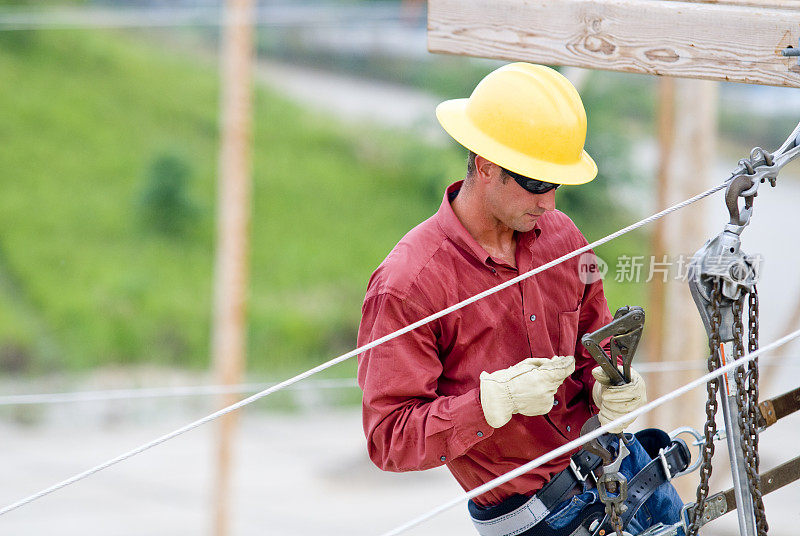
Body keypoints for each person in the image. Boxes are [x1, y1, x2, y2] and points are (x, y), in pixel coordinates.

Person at [357, 63, 684, 535]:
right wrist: (491, 403)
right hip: (539, 516)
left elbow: (598, 343)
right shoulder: (410, 283)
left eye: (557, 184)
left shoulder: (563, 239)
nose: (549, 203)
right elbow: (389, 439)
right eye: (536, 184)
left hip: (625, 471)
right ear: (486, 165)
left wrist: (611, 385)